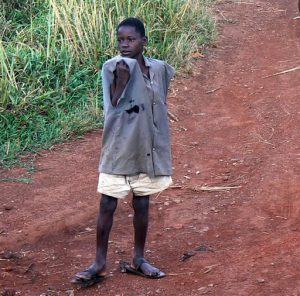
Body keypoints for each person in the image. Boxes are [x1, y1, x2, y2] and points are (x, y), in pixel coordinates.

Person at [72, 17, 175, 288]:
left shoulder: (159, 68)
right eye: (120, 40)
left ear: (144, 41)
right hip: (118, 147)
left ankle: (139, 259)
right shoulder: (113, 67)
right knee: (108, 203)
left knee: (142, 203)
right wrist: (123, 79)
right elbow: (115, 104)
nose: (124, 44)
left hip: (146, 147)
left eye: (130, 39)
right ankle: (99, 263)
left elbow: (158, 100)